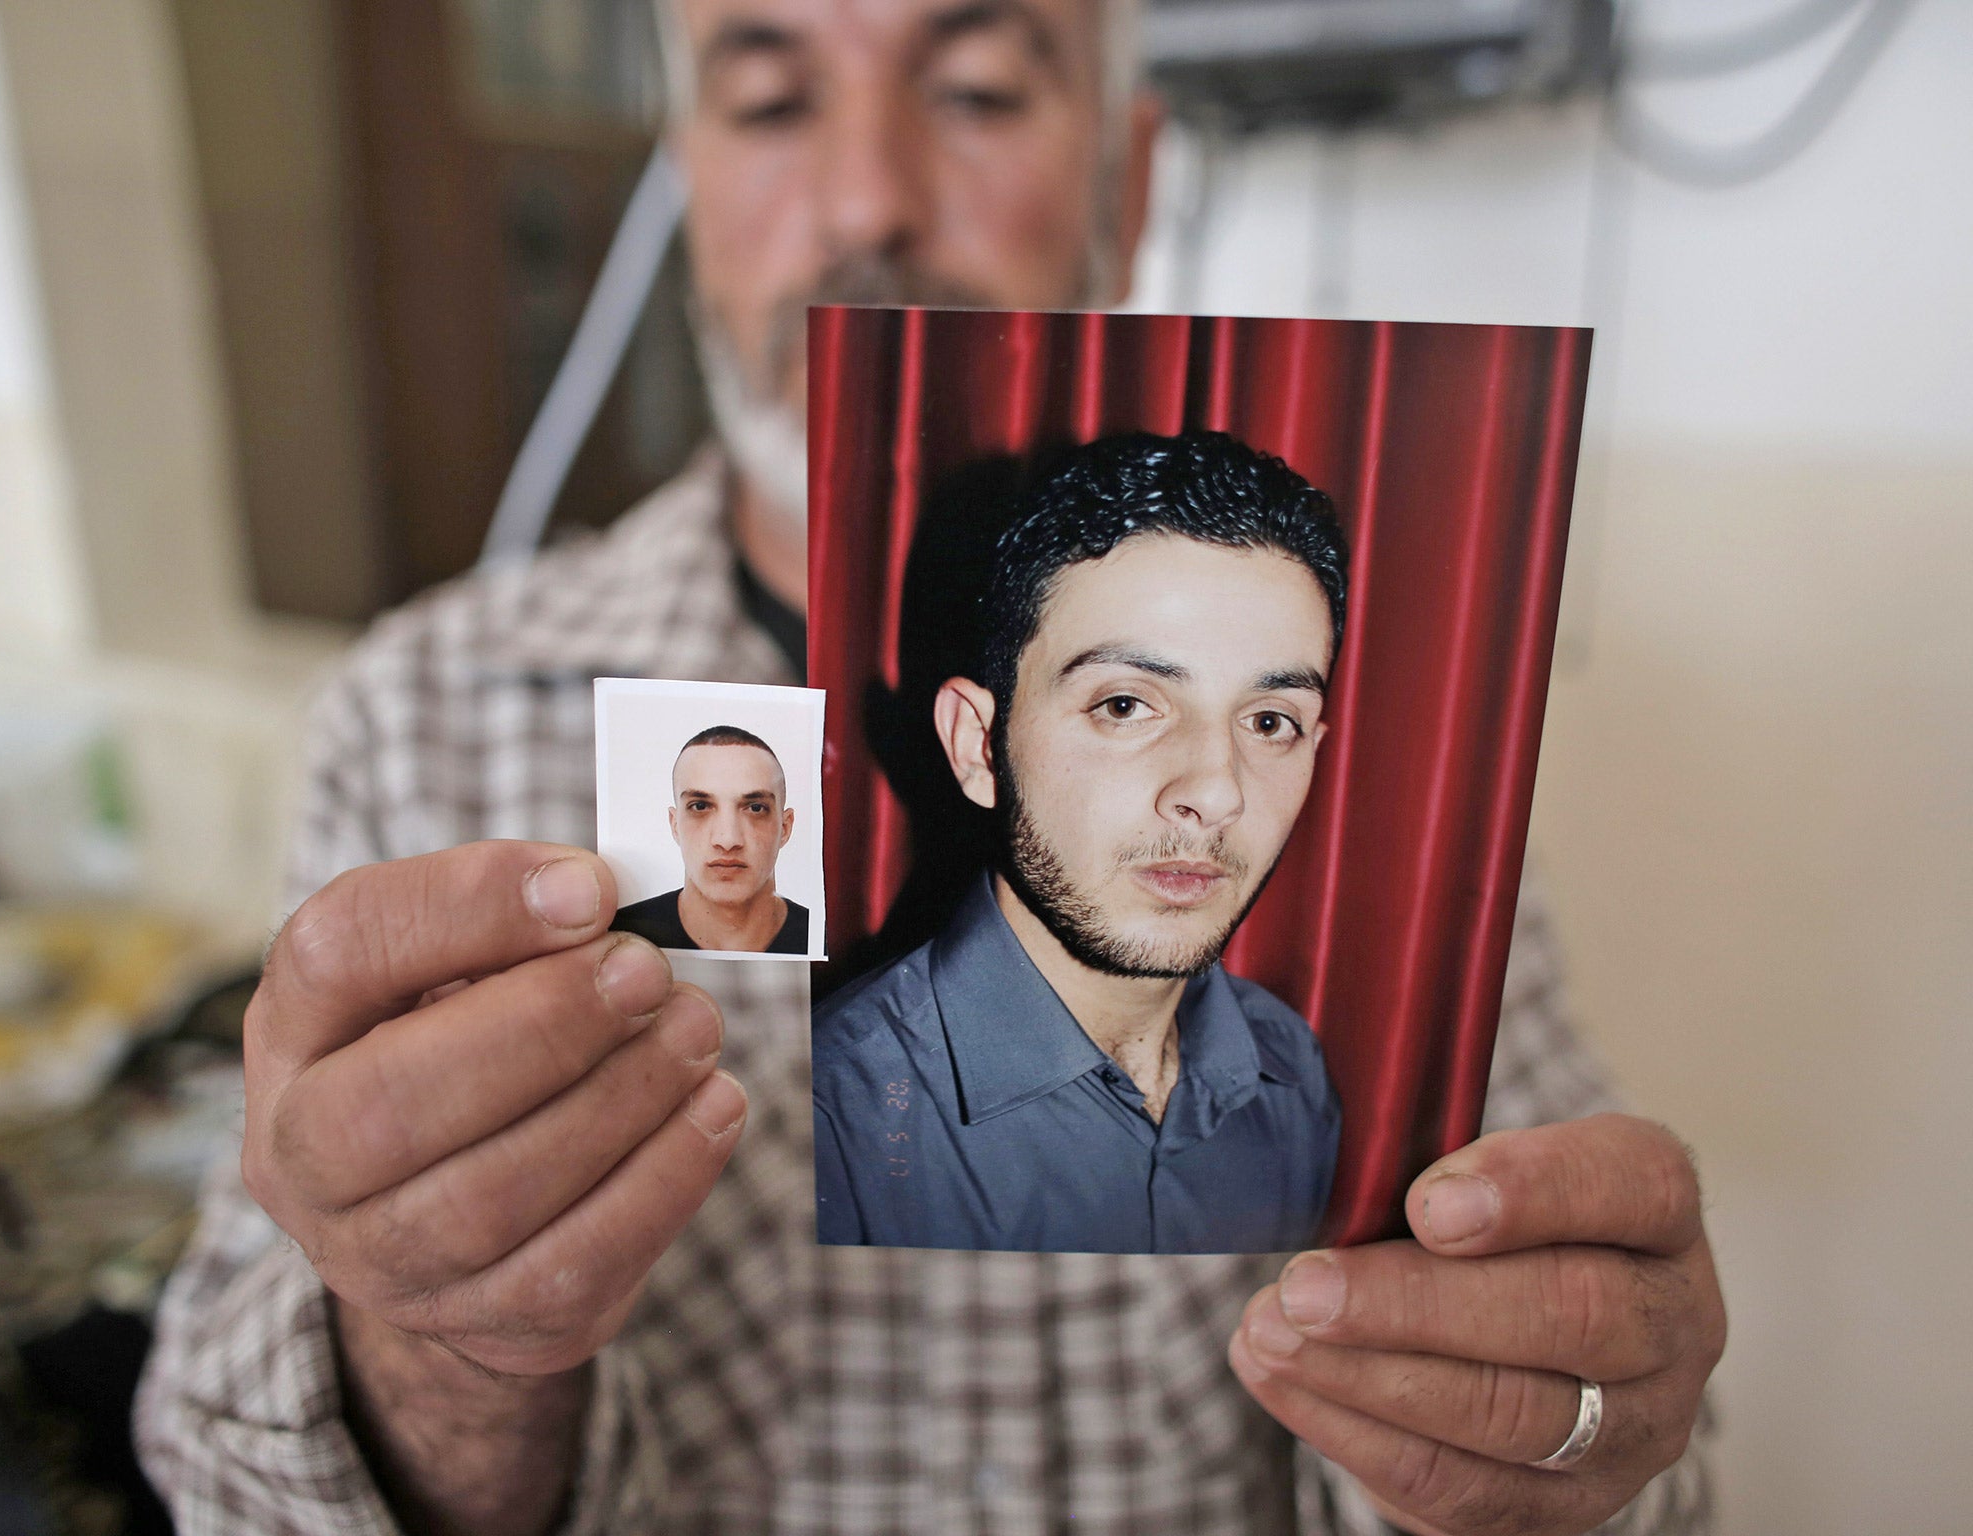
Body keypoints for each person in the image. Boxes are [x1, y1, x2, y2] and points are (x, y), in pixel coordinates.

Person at [135, 0, 1726, 1531]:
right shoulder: (421, 719)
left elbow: (1617, 1442)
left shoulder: (1327, 1027)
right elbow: (223, 1481)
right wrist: (431, 1340)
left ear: (1132, 176)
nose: (864, 198)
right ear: (684, 168)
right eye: (768, 99)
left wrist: (1568, 1441)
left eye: (974, 91)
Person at [815, 431, 1346, 1253]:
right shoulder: (826, 1125)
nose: (1216, 791)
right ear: (977, 746)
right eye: (1126, 706)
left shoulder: (1289, 1075)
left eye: (1270, 721)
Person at [613, 725, 810, 954]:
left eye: (755, 808)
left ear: (785, 827)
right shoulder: (622, 936)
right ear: (675, 825)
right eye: (700, 806)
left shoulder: (826, 942)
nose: (727, 840)